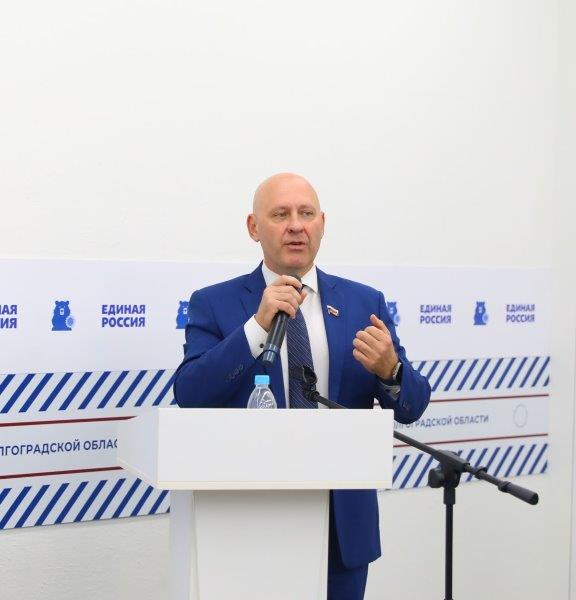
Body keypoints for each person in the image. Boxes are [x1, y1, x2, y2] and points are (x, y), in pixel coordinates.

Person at [174, 172, 431, 600]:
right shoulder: (214, 303)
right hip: (249, 523)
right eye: (281, 215)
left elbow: (413, 406)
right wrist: (256, 327)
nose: (296, 226)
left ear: (322, 224)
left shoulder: (363, 303)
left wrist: (391, 371)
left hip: (341, 528)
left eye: (306, 213)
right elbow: (190, 393)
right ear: (254, 227)